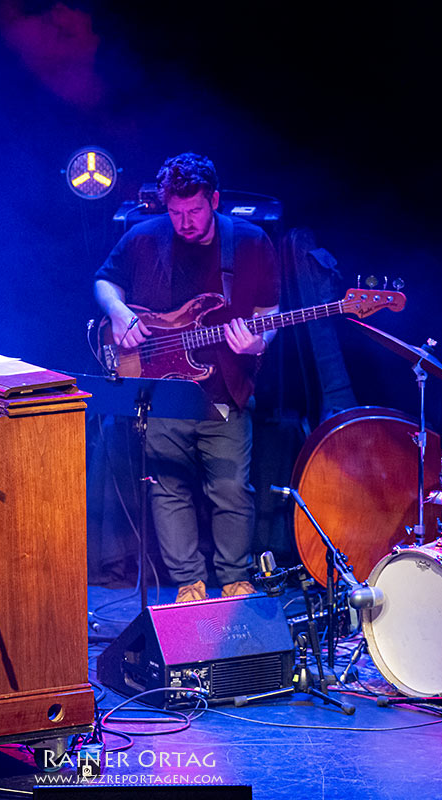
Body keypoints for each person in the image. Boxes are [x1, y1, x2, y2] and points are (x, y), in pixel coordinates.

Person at [94, 153, 280, 602]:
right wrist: (118, 313)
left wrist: (259, 343)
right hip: (163, 387)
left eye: (195, 211)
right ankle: (188, 582)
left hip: (224, 389)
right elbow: (104, 281)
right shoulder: (144, 236)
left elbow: (269, 314)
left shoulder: (251, 242)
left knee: (231, 485)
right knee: (167, 488)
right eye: (176, 212)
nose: (185, 222)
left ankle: (235, 577)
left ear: (213, 199)